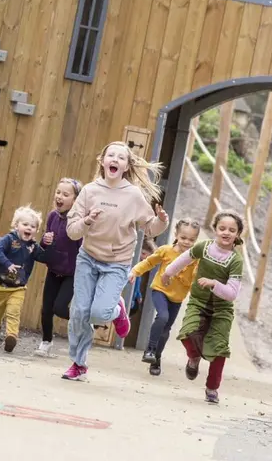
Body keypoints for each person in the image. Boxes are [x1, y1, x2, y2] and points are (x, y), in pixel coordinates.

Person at [61, 141, 169, 382]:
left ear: (127, 165)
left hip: (116, 263)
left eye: (121, 157)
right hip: (88, 259)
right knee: (79, 312)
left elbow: (149, 228)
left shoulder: (133, 195)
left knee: (99, 314)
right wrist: (87, 220)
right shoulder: (89, 191)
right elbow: (72, 232)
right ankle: (78, 363)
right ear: (102, 161)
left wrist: (162, 220)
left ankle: (117, 309)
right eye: (111, 155)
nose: (115, 160)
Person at [164, 210, 245, 404]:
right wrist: (168, 273)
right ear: (215, 229)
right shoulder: (204, 247)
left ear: (237, 234)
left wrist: (214, 283)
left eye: (231, 230)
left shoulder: (236, 261)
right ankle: (193, 358)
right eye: (222, 228)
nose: (226, 233)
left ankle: (212, 388)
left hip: (222, 310)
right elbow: (185, 258)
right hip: (198, 303)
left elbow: (232, 293)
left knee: (219, 349)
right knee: (188, 332)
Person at [129, 218, 201, 376]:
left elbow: (196, 278)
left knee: (166, 329)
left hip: (177, 297)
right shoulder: (166, 250)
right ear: (176, 234)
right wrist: (135, 271)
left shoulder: (196, 258)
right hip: (160, 290)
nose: (187, 242)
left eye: (191, 240)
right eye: (183, 238)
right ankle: (150, 349)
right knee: (162, 317)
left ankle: (156, 358)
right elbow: (149, 262)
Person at [34, 178, 83, 358]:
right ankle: (46, 341)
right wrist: (44, 241)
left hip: (71, 272)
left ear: (75, 200)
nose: (59, 197)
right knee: (46, 309)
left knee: (60, 308)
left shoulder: (78, 221)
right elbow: (47, 243)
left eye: (65, 194)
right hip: (54, 269)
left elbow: (83, 248)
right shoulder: (52, 216)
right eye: (58, 192)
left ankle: (82, 322)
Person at [0, 205, 47, 353]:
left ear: (36, 231)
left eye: (32, 226)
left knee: (14, 312)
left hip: (18, 288)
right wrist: (8, 264)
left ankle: (11, 337)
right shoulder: (9, 239)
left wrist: (48, 245)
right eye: (25, 224)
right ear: (16, 226)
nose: (29, 228)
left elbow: (45, 256)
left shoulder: (33, 247)